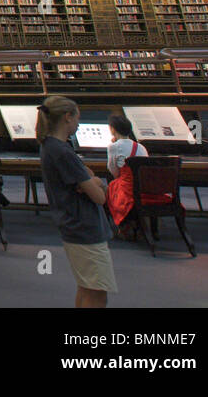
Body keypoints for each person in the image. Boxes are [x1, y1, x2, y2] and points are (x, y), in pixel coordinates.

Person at [38, 95, 115, 307]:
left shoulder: (49, 146)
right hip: (85, 227)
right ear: (67, 117)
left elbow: (85, 176)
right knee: (98, 292)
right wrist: (97, 181)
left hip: (73, 224)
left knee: (87, 285)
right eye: (78, 118)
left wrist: (89, 180)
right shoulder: (63, 151)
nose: (79, 123)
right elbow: (100, 197)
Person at [105, 114, 150, 239]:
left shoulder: (113, 146)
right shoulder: (141, 147)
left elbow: (112, 170)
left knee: (109, 188)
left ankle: (118, 226)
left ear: (113, 129)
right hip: (144, 189)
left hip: (127, 189)